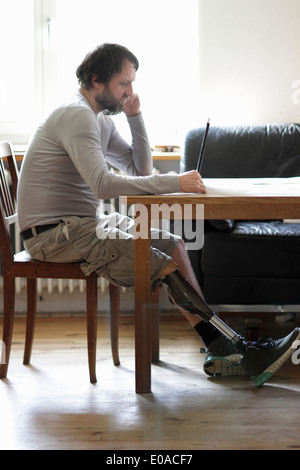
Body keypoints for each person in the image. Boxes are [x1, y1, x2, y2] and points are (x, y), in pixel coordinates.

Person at [17, 43, 299, 387]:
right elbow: (105, 185)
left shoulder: (99, 119)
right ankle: (233, 348)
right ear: (97, 80)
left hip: (78, 227)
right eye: (123, 84)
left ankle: (222, 348)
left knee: (172, 242)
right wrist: (175, 181)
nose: (129, 92)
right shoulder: (76, 115)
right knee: (155, 260)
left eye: (132, 83)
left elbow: (139, 167)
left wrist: (135, 117)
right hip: (53, 236)